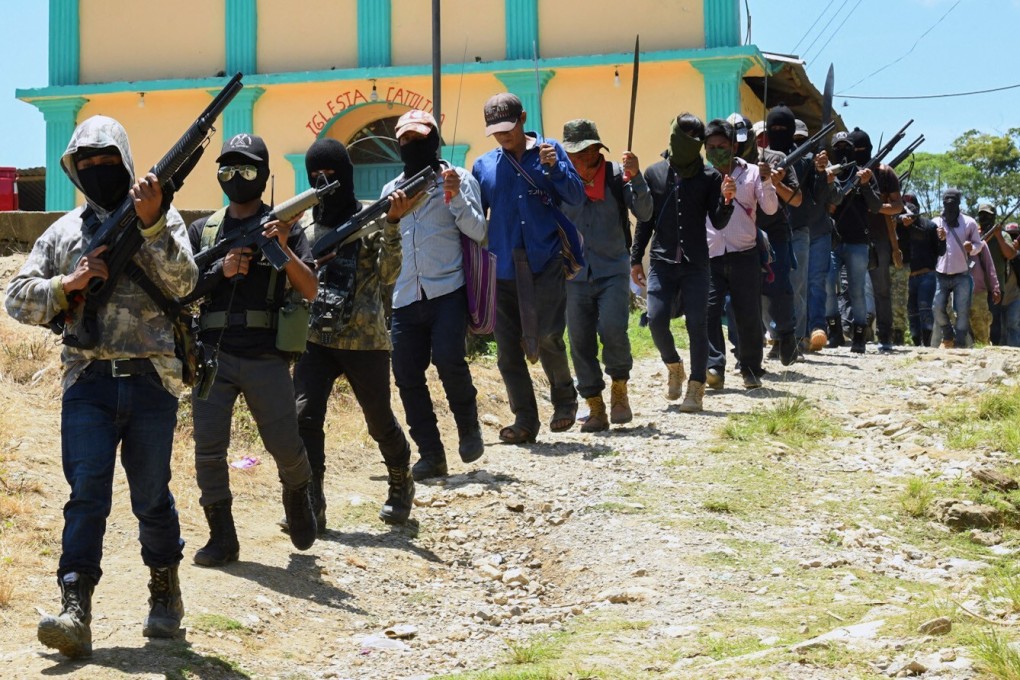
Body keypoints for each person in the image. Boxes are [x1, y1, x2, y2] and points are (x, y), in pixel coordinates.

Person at [5, 116, 197, 657]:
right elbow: (15, 297)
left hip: (152, 381)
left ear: (126, 161)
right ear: (72, 169)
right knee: (86, 495)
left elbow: (187, 283)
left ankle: (164, 588)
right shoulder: (64, 232)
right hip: (87, 382)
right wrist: (66, 284)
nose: (95, 169)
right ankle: (75, 608)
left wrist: (152, 225)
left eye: (106, 160)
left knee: (151, 496)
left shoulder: (162, 218)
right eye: (85, 162)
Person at [185, 133, 319, 567]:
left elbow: (310, 289)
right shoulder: (203, 231)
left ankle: (298, 495)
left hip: (266, 357)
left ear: (263, 174)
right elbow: (181, 289)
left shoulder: (285, 227)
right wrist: (220, 271)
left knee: (285, 445)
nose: (235, 177)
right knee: (208, 451)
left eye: (245, 169)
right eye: (227, 169)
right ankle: (222, 537)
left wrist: (283, 246)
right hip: (213, 356)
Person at [293, 138, 416, 525]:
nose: (324, 183)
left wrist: (392, 225)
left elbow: (389, 275)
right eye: (316, 176)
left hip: (364, 341)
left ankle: (400, 480)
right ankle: (313, 501)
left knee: (378, 420)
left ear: (346, 176)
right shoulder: (304, 226)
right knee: (304, 417)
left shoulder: (370, 219)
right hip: (315, 338)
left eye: (331, 175)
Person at [471, 93, 586, 443]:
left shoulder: (551, 152)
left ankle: (565, 400)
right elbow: (475, 217)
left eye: (508, 127)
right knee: (508, 350)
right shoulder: (483, 166)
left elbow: (576, 196)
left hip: (545, 260)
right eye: (496, 131)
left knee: (549, 336)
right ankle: (525, 420)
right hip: (502, 267)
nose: (503, 136)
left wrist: (556, 169)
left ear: (523, 118)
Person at [382, 110, 487, 479]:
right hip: (405, 296)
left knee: (449, 361)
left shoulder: (458, 178)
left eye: (419, 138)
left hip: (447, 291)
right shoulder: (390, 190)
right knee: (406, 375)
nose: (412, 145)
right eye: (405, 140)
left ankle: (469, 429)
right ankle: (431, 454)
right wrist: (392, 218)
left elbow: (479, 231)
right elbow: (385, 242)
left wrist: (454, 196)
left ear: (434, 139)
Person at [631, 113, 734, 411]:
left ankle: (696, 387)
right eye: (684, 135)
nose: (690, 142)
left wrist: (727, 200)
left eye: (695, 138)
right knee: (656, 319)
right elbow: (645, 221)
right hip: (662, 262)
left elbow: (718, 220)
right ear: (674, 135)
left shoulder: (710, 177)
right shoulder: (654, 173)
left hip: (696, 264)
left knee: (697, 324)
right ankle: (674, 366)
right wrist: (635, 259)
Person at [559, 118, 652, 430]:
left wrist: (636, 177)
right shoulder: (560, 178)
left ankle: (619, 390)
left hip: (612, 269)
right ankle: (595, 406)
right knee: (579, 340)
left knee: (613, 329)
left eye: (589, 150)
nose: (584, 157)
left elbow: (645, 212)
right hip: (573, 273)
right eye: (576, 153)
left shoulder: (615, 175)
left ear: (599, 148)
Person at [703, 117, 777, 390]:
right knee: (708, 312)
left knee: (748, 315)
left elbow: (770, 209)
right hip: (711, 256)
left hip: (744, 254)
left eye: (722, 146)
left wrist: (767, 181)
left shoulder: (753, 173)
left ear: (734, 146)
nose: (716, 151)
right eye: (711, 147)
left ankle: (751, 368)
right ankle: (714, 366)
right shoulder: (702, 177)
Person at [826, 131, 883, 353]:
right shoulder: (829, 174)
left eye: (846, 146)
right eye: (838, 147)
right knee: (827, 284)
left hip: (858, 241)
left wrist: (866, 184)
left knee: (857, 289)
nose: (842, 151)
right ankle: (834, 331)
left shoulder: (864, 173)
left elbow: (876, 206)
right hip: (832, 240)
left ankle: (859, 334)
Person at [757, 106, 803, 366]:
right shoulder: (730, 162)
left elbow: (796, 199)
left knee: (780, 289)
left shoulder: (778, 160)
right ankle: (749, 352)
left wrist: (775, 182)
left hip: (775, 234)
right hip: (742, 234)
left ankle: (786, 337)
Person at [787, 119, 838, 352]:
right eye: (794, 140)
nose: (798, 145)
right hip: (794, 230)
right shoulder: (782, 162)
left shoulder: (819, 163)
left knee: (816, 282)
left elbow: (833, 196)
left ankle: (817, 327)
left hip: (818, 232)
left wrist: (822, 174)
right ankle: (795, 332)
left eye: (802, 140)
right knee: (796, 283)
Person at [851, 128, 904, 352]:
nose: (860, 152)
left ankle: (885, 336)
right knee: (850, 290)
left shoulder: (885, 173)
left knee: (882, 289)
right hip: (850, 236)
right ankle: (853, 334)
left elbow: (898, 206)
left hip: (879, 239)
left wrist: (876, 206)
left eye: (863, 149)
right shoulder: (845, 171)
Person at [933, 188, 985, 348]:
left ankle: (960, 342)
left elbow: (979, 245)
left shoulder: (969, 222)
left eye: (953, 202)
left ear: (958, 203)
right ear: (943, 203)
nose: (949, 205)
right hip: (940, 273)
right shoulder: (936, 222)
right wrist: (937, 238)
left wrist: (971, 248)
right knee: (937, 307)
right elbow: (929, 246)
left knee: (962, 310)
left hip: (962, 273)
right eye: (946, 201)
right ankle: (948, 333)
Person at [900, 197, 939, 347]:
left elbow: (939, 250)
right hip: (908, 276)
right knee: (912, 312)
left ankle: (927, 344)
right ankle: (917, 344)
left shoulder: (930, 226)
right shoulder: (899, 226)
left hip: (926, 275)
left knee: (925, 309)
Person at [970, 203, 1002, 345]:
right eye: (981, 215)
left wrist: (998, 235)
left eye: (987, 215)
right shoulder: (971, 235)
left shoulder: (1000, 235)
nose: (984, 218)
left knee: (989, 322)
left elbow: (991, 266)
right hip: (970, 288)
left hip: (988, 288)